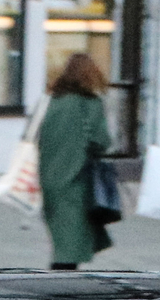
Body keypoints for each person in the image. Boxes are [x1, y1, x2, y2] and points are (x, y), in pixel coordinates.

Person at [37, 53, 114, 270]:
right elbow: (101, 141)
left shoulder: (51, 101)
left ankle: (60, 290)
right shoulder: (90, 103)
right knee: (69, 250)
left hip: (49, 178)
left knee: (63, 240)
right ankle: (57, 294)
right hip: (77, 181)